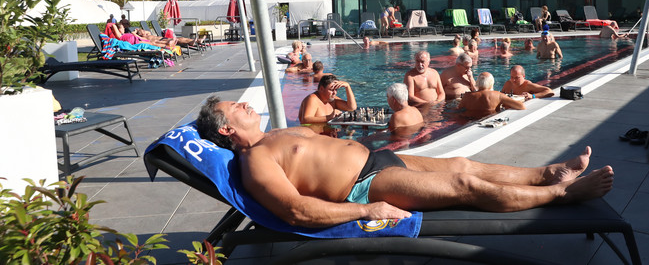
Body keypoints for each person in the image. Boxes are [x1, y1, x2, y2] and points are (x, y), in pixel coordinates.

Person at [196, 96, 614, 227]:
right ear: (227, 130)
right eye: (236, 107)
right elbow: (295, 210)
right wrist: (367, 209)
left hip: (378, 158)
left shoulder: (277, 133)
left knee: (462, 163)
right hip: (362, 186)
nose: (246, 104)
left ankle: (547, 174)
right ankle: (561, 195)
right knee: (462, 188)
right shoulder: (255, 161)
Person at [459, 72, 525, 118]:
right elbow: (521, 106)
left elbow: (458, 110)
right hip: (490, 119)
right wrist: (507, 104)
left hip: (470, 121)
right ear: (491, 83)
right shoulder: (498, 95)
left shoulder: (467, 96)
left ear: (478, 82)